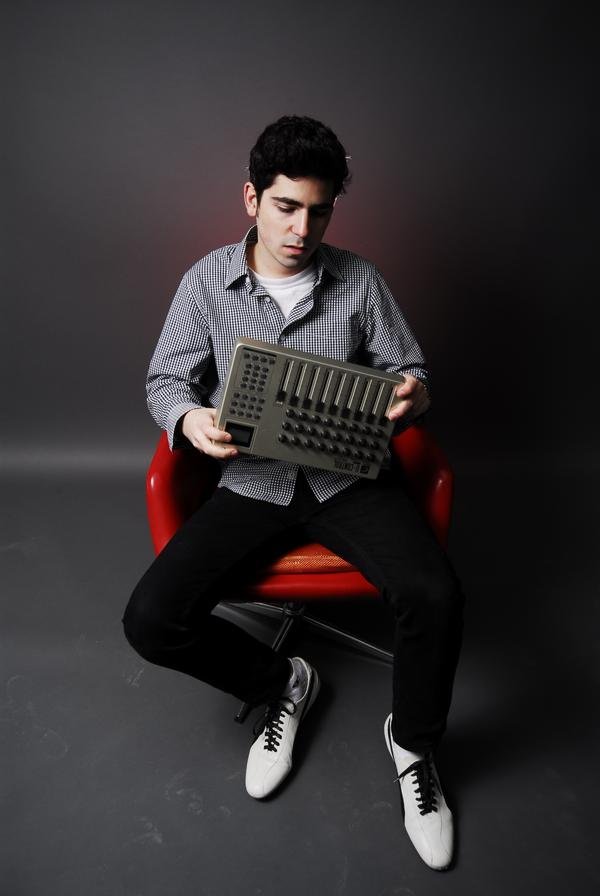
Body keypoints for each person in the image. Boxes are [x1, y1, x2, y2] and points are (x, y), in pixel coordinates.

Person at [123, 115, 464, 871]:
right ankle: (283, 683)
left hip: (350, 477)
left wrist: (412, 394)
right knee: (150, 620)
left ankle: (413, 747)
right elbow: (164, 380)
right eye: (285, 207)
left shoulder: (361, 280)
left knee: (436, 595)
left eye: (319, 211)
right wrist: (189, 418)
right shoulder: (206, 282)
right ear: (252, 198)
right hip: (252, 481)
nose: (302, 229)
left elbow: (412, 371)